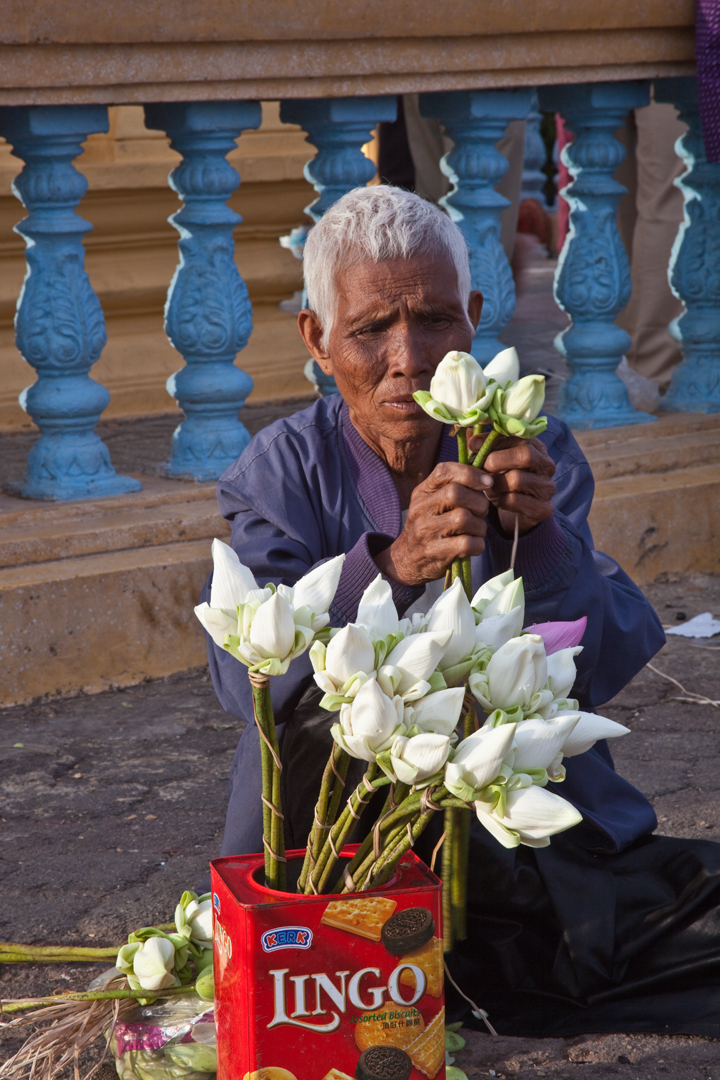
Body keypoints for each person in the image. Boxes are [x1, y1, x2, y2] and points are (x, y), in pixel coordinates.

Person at [200, 186, 720, 1039]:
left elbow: (601, 670)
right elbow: (244, 679)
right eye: (371, 330)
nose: (408, 357)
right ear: (318, 340)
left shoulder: (526, 447)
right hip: (348, 866)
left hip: (527, 868)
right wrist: (395, 565)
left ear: (475, 320)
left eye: (437, 320)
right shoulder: (280, 474)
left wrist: (543, 541)